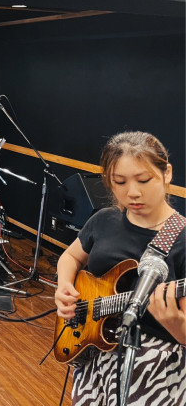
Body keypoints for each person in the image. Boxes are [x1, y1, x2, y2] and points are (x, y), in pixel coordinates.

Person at [55, 131, 185, 405]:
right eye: (120, 182)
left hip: (155, 371)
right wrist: (64, 286)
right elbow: (70, 257)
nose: (132, 192)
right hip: (94, 357)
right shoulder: (104, 220)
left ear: (167, 173)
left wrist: (177, 326)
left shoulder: (182, 237)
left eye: (144, 180)